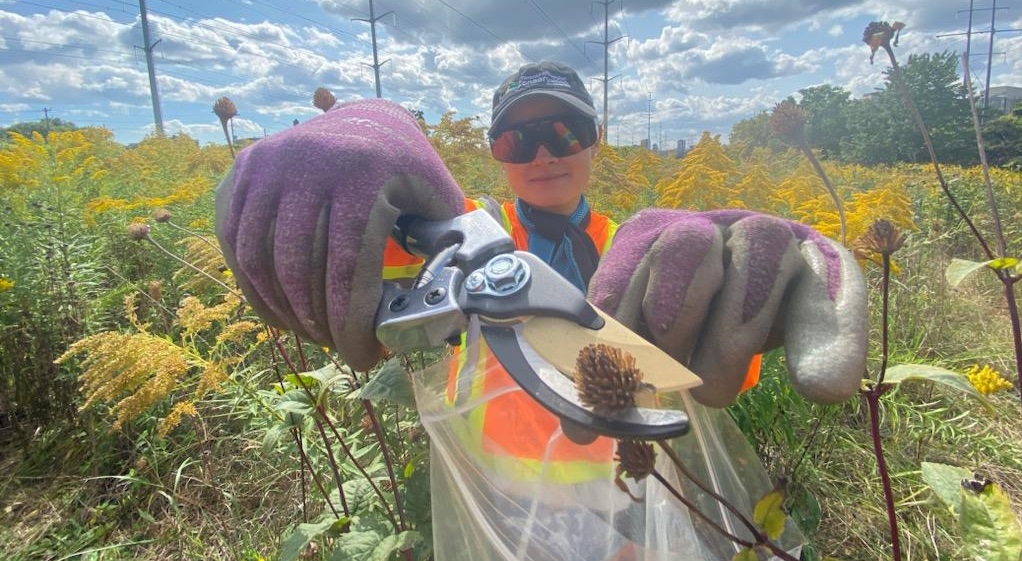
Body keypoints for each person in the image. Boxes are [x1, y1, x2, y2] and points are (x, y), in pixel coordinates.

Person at [215, 61, 867, 560]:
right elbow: (357, 259)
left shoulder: (638, 248)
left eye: (565, 132)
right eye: (517, 141)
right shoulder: (460, 237)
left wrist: (745, 300)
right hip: (498, 504)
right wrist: (356, 132)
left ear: (595, 140)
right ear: (495, 152)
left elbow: (707, 375)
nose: (544, 154)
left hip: (627, 505)